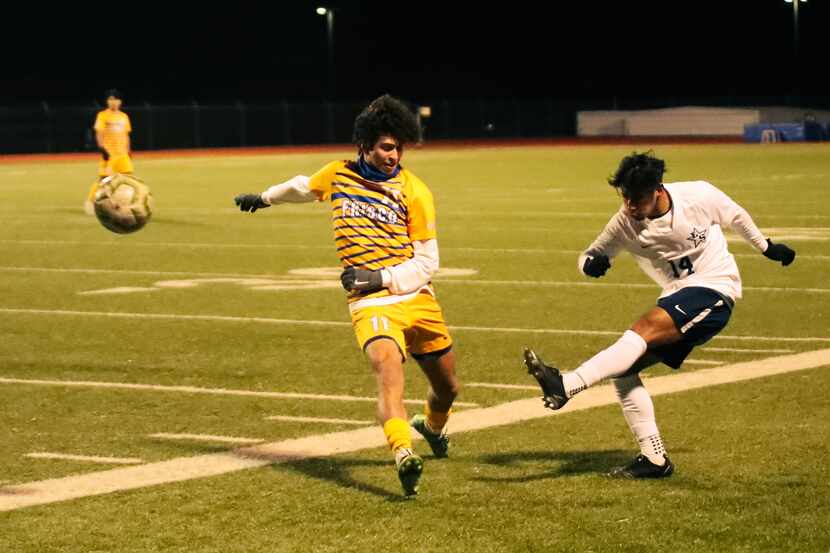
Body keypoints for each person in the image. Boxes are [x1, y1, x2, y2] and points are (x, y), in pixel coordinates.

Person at [234, 94, 460, 497]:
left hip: (415, 295)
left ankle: (432, 427)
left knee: (448, 389)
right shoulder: (338, 174)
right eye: (388, 147)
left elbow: (428, 262)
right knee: (388, 374)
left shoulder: (415, 192)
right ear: (365, 145)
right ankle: (403, 452)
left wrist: (380, 276)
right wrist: (264, 198)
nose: (394, 156)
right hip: (370, 304)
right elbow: (304, 187)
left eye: (399, 148)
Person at [524, 151, 796, 479]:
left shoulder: (698, 196)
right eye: (625, 197)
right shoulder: (624, 222)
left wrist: (766, 247)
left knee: (643, 328)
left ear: (658, 190)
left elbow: (735, 216)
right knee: (623, 370)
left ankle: (566, 384)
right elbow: (589, 254)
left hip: (715, 289)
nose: (629, 206)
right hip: (677, 296)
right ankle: (654, 458)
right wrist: (591, 265)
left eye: (636, 199)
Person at [85, 89, 133, 214]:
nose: (113, 102)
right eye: (111, 99)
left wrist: (128, 150)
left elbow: (126, 135)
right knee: (103, 180)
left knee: (128, 179)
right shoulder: (103, 115)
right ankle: (91, 202)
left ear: (120, 101)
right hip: (110, 154)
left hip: (122, 154)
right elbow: (99, 133)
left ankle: (123, 202)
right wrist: (102, 149)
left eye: (116, 99)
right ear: (107, 101)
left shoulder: (124, 117)